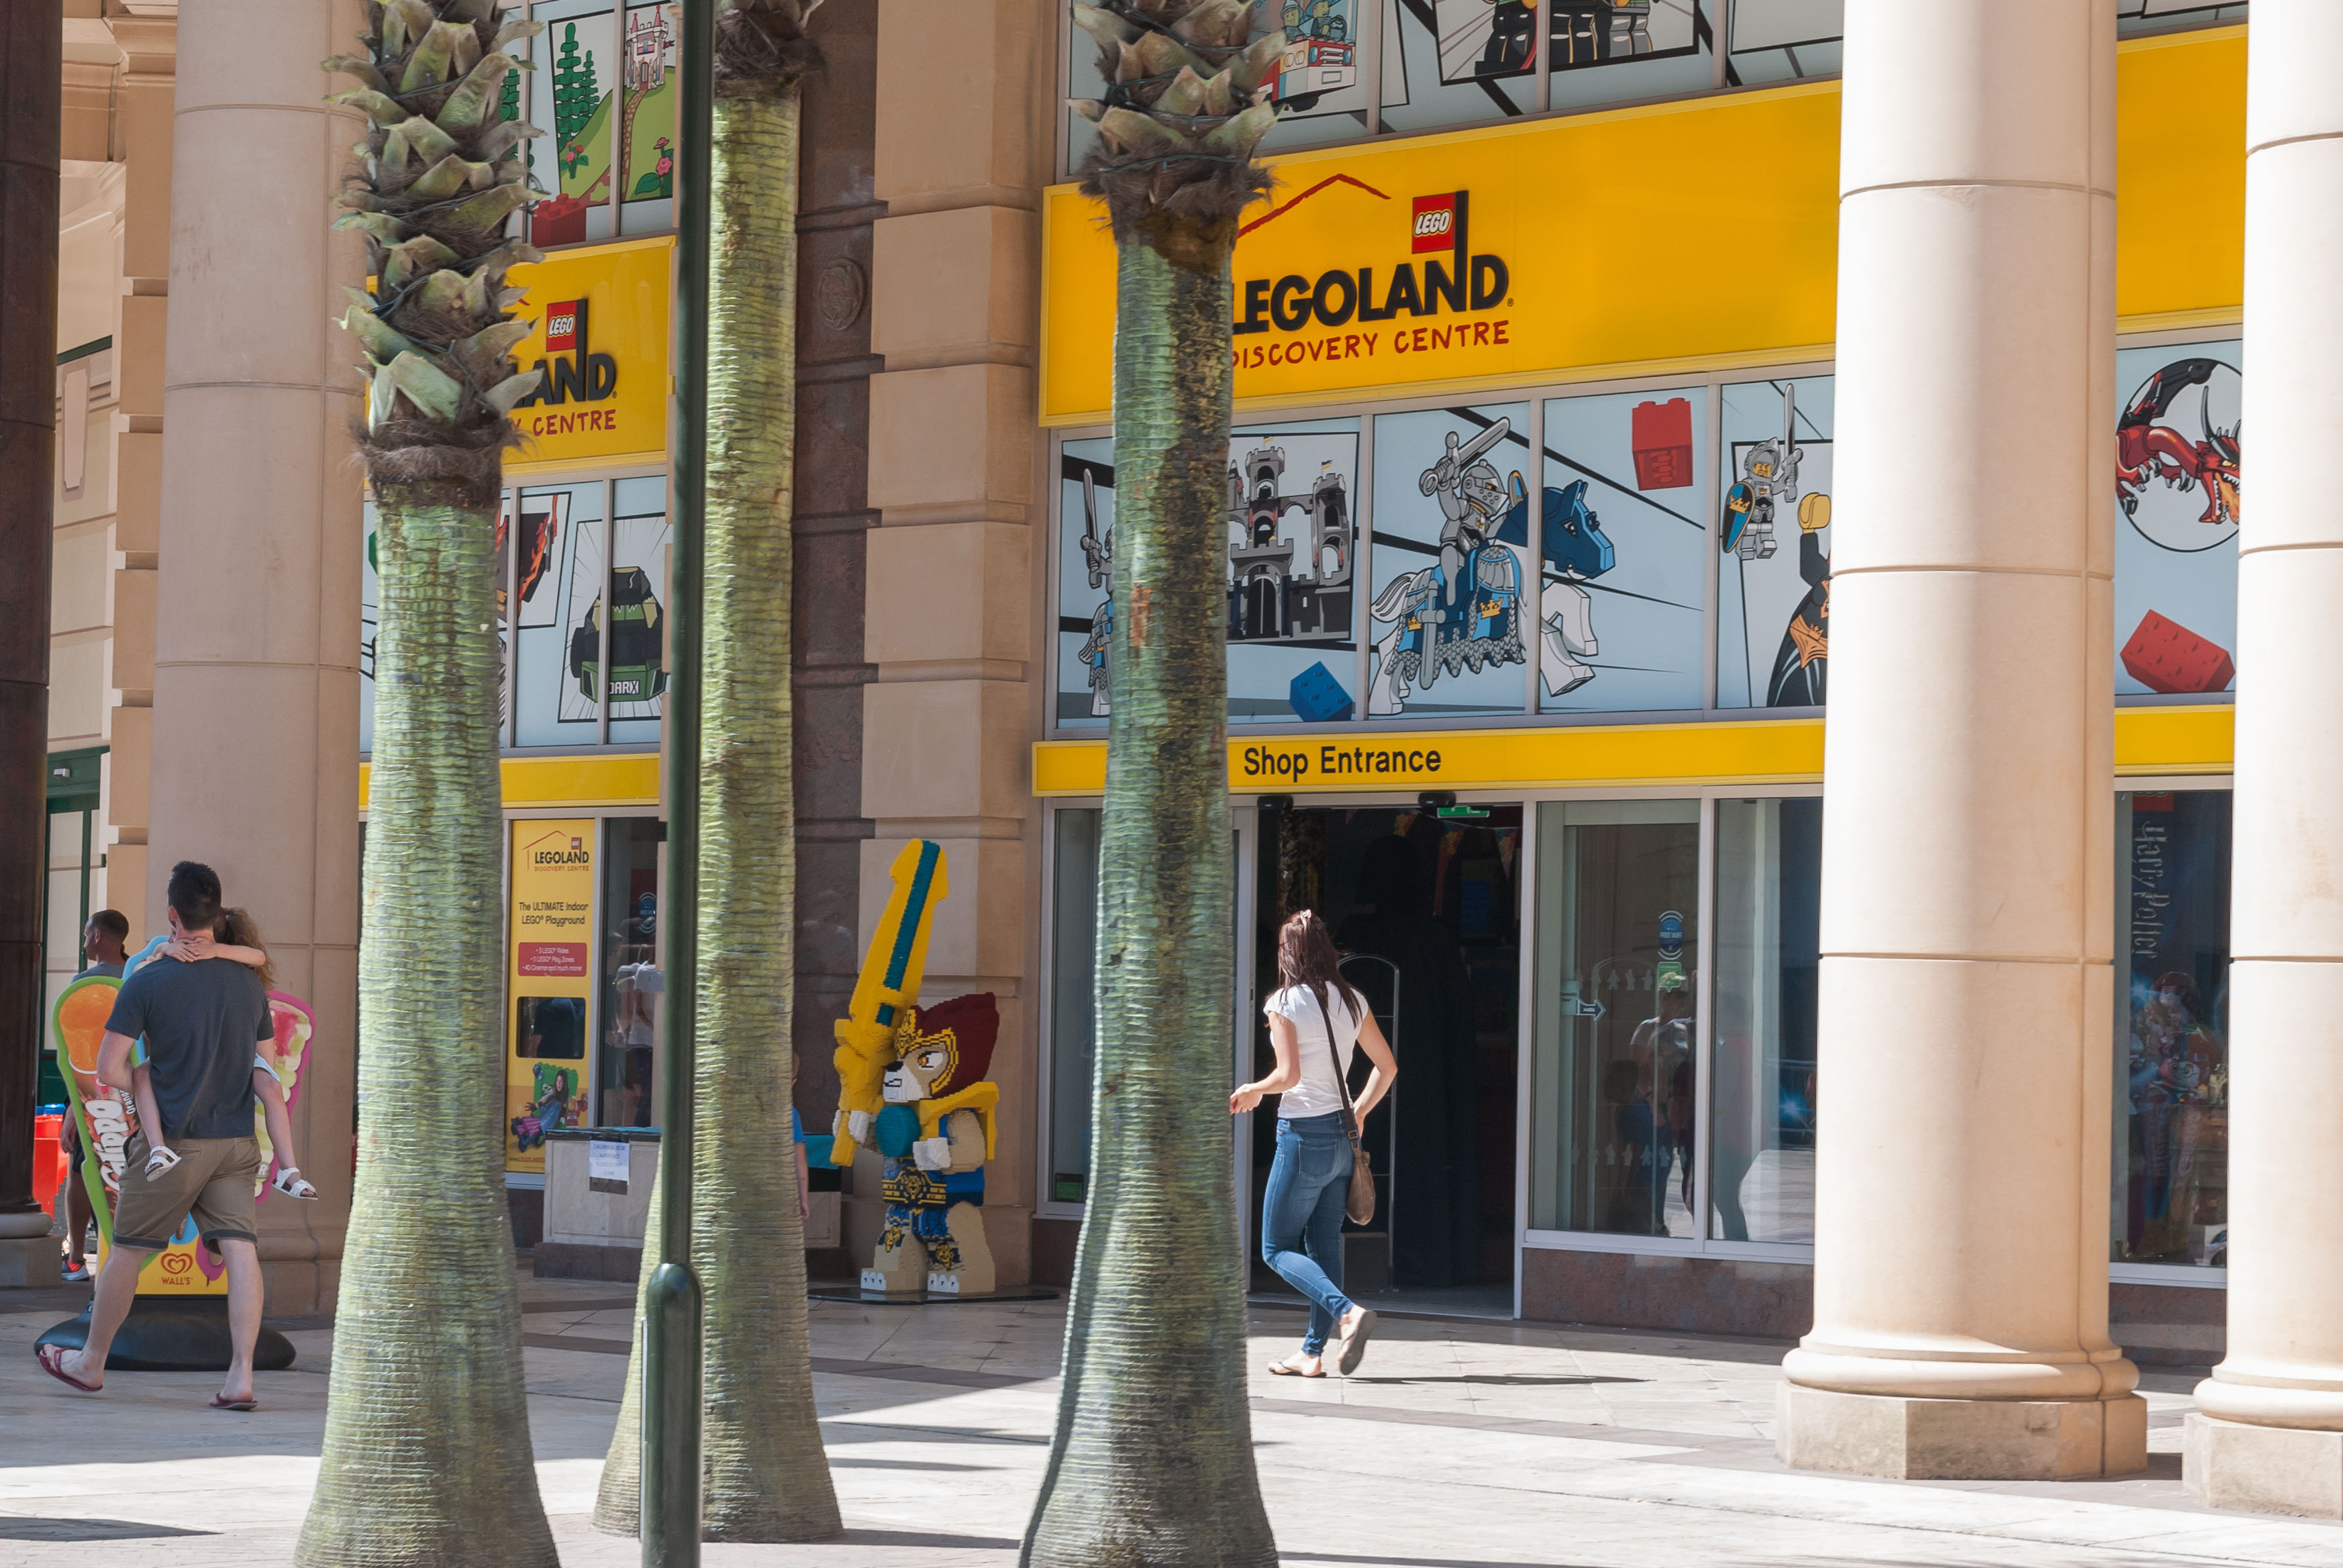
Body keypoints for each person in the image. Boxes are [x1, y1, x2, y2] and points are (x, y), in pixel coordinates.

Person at [38, 862, 275, 1410]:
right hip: (235, 1140)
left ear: (172, 914)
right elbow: (264, 1067)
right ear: (215, 913)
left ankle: (90, 1363)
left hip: (171, 1139)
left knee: (127, 1249)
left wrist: (151, 1081)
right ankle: (241, 1376)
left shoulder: (146, 979)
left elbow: (108, 1069)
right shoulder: (249, 982)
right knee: (241, 1251)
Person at [1232, 910, 1398, 1379]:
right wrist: (1359, 1111)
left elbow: (1288, 1076)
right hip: (1343, 1137)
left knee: (1274, 1248)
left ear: (1286, 953)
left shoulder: (1283, 1001)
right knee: (1324, 1246)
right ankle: (1311, 1352)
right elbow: (1387, 1067)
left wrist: (1253, 1089)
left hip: (1303, 1136)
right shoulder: (1354, 999)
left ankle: (1347, 1312)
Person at [130, 908, 315, 1202]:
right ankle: (158, 1150)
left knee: (270, 1085)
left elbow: (257, 957)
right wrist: (168, 947)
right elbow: (152, 958)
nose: (182, 940)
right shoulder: (188, 960)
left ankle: (289, 1170)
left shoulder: (233, 965)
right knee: (143, 1074)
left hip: (227, 1054)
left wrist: (213, 950)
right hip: (213, 1055)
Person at [58, 911, 132, 1282]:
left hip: (95, 1097)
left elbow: (78, 1051)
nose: (85, 940)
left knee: (83, 1171)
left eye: (88, 933)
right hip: (138, 1093)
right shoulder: (141, 975)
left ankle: (76, 1257)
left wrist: (73, 1109)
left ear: (99, 935)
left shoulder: (85, 984)